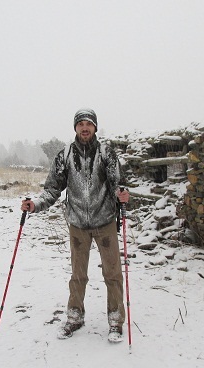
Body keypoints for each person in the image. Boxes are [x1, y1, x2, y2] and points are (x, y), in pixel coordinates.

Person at [21, 108, 130, 343]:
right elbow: (52, 189)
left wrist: (122, 195)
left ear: (95, 127)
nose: (84, 127)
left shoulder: (106, 154)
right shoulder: (65, 155)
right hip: (78, 224)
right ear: (75, 128)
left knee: (112, 273)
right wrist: (35, 205)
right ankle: (75, 317)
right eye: (80, 124)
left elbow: (118, 185)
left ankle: (115, 320)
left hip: (105, 221)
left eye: (88, 123)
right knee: (78, 274)